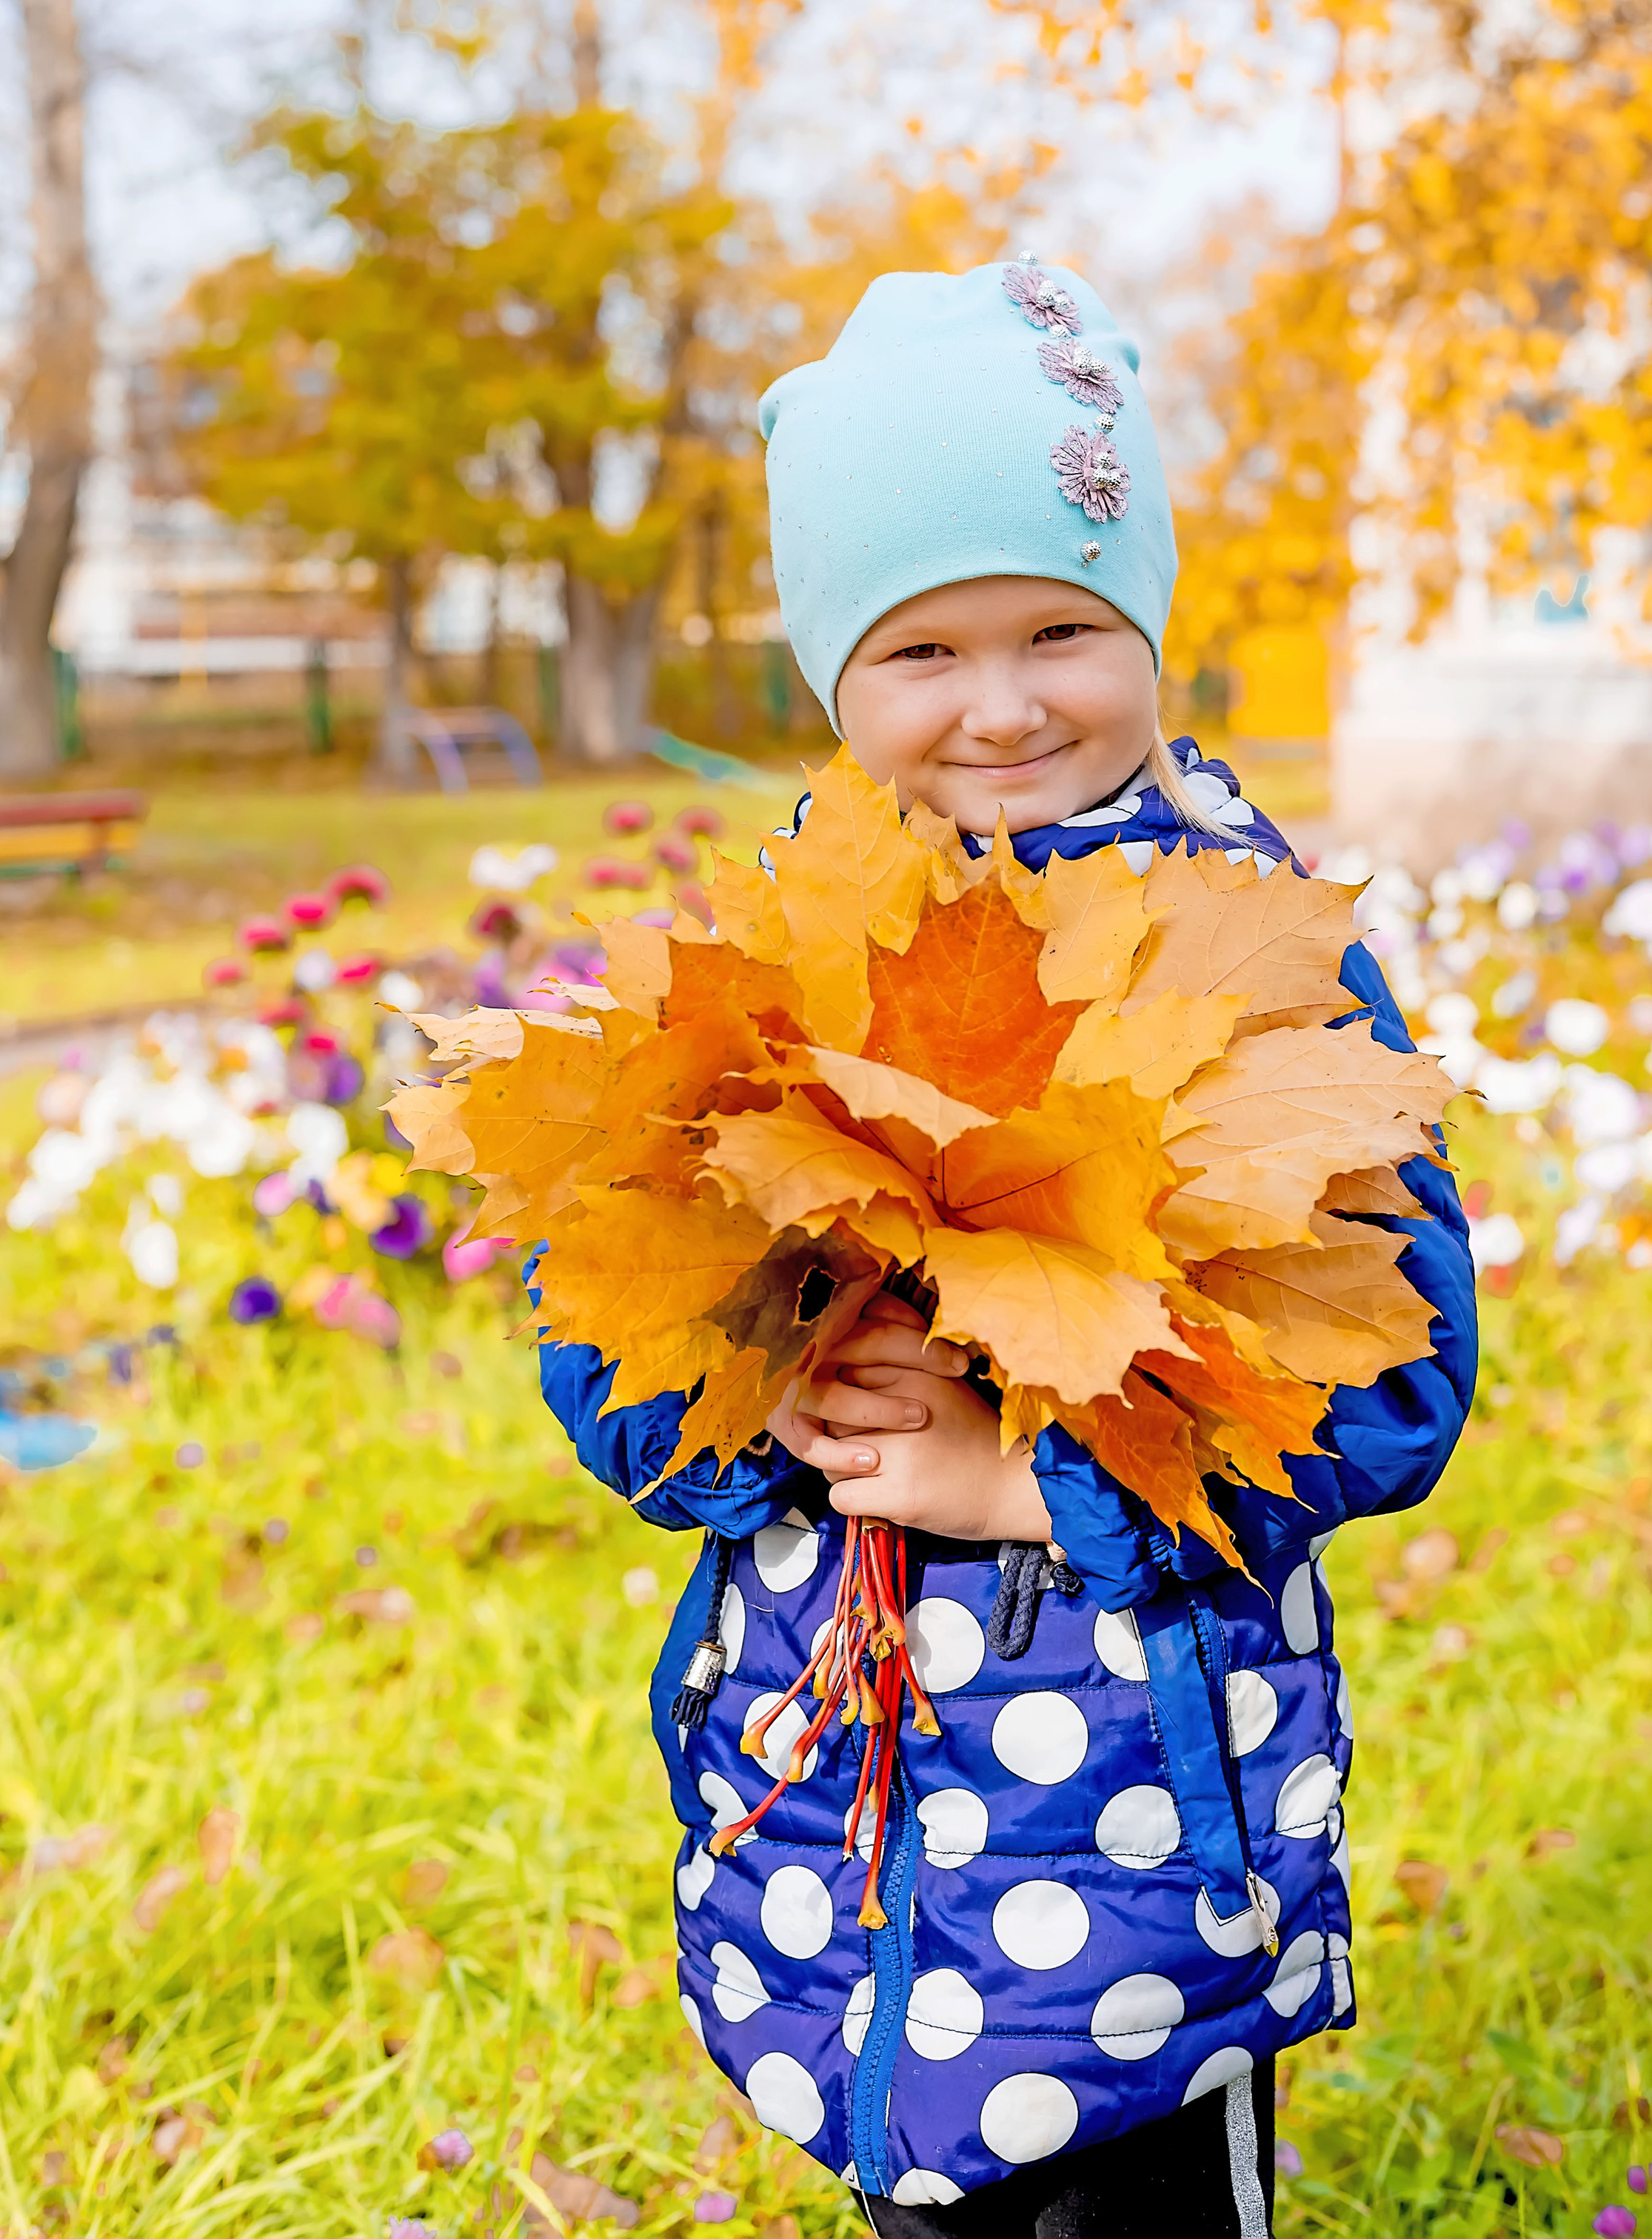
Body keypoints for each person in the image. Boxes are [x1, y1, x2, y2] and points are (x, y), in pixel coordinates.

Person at [537, 260, 1476, 2235]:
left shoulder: (1260, 956)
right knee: (917, 2187)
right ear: (831, 673)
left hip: (1141, 1801)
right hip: (838, 1796)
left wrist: (1020, 1475)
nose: (1001, 700)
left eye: (1061, 624)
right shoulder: (784, 965)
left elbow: (1388, 1389)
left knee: (1135, 2201)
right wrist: (772, 1403)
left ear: (1144, 617)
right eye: (920, 650)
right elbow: (617, 1359)